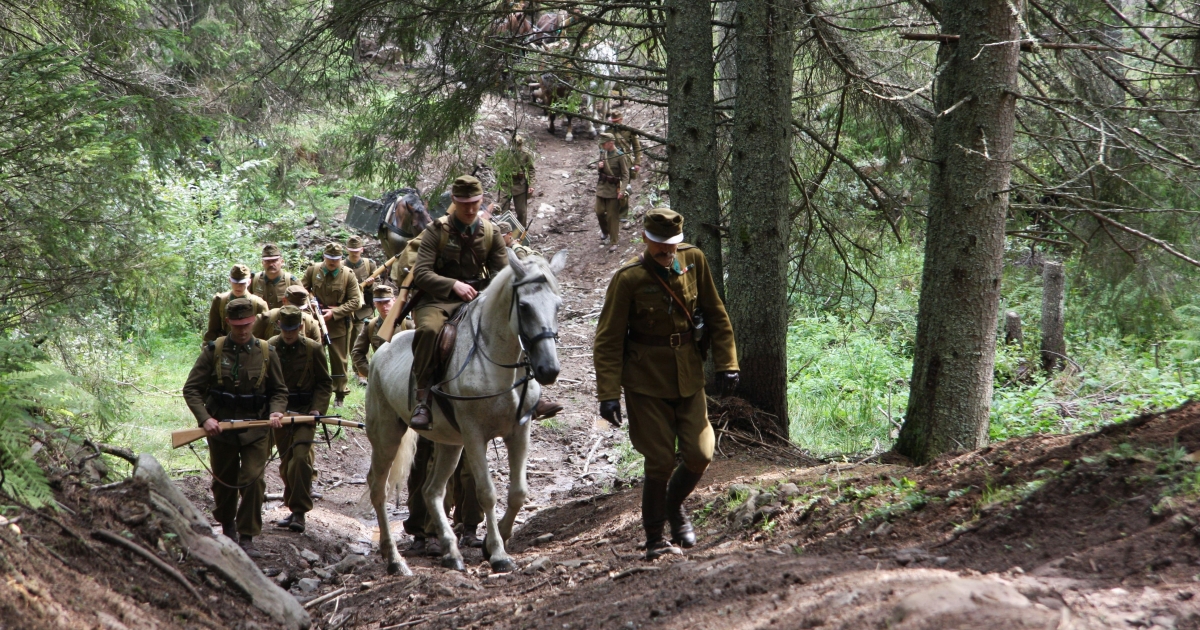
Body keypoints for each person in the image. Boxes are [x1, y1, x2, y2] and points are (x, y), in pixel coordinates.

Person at [592, 208, 739, 560]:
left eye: (671, 246)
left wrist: (727, 362)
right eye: (659, 246)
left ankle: (674, 508)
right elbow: (608, 340)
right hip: (645, 382)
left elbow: (716, 313)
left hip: (688, 373)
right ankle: (655, 538)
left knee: (700, 454)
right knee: (658, 459)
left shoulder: (694, 261)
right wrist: (608, 395)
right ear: (645, 239)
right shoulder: (628, 278)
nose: (666, 253)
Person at [182, 298, 288, 558]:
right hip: (221, 429)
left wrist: (276, 410)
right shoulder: (214, 351)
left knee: (253, 480)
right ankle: (227, 526)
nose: (243, 330)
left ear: (253, 322)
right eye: (238, 325)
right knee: (224, 481)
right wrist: (205, 419)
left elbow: (279, 390)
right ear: (228, 322)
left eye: (247, 324)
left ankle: (248, 535)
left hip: (256, 428)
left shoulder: (266, 352)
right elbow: (192, 389)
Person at [408, 175, 507, 430]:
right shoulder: (436, 231)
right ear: (454, 201)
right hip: (438, 300)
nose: (470, 209)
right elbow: (422, 273)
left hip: (479, 299)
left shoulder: (491, 232)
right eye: (464, 203)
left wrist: (490, 294)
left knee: (516, 324)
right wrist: (452, 284)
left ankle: (527, 392)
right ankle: (423, 398)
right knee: (429, 331)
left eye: (475, 203)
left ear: (481, 200)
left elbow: (502, 273)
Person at [268, 306, 333, 534]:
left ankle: (299, 512)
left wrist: (317, 409)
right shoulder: (270, 347)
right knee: (286, 464)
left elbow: (325, 383)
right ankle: (292, 505)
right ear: (279, 327)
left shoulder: (313, 349)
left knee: (300, 460)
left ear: (300, 327)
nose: (289, 333)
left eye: (293, 329)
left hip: (305, 413)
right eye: (285, 329)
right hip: (280, 414)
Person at [302, 243, 363, 407]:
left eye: (336, 259)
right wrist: (311, 305)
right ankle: (312, 390)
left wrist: (335, 313)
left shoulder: (348, 275)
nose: (332, 262)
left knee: (339, 360)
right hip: (315, 322)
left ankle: (340, 394)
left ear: (341, 259)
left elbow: (357, 301)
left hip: (338, 324)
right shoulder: (313, 270)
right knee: (312, 357)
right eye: (329, 258)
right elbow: (302, 291)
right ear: (324, 256)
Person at [204, 264, 271, 343]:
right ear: (230, 280)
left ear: (249, 282)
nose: (238, 286)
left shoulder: (259, 304)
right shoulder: (219, 301)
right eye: (235, 282)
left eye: (242, 283)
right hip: (226, 348)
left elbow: (266, 333)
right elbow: (212, 331)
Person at [351, 284, 398, 380]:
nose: (384, 306)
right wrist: (370, 373)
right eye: (379, 303)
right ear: (374, 304)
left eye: (387, 302)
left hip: (402, 374)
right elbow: (357, 352)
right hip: (380, 375)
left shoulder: (408, 324)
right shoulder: (371, 326)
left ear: (394, 301)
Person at [594, 133, 630, 254]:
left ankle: (614, 241)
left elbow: (625, 175)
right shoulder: (602, 153)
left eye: (604, 143)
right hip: (601, 187)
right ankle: (605, 231)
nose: (603, 145)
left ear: (610, 143)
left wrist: (623, 191)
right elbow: (599, 169)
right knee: (599, 211)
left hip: (614, 189)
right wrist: (599, 167)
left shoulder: (620, 156)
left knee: (612, 216)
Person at [344, 236, 377, 362]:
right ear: (347, 250)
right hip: (346, 309)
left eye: (357, 249)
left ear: (362, 249)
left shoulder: (369, 265)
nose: (354, 252)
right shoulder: (342, 266)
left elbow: (378, 287)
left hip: (364, 310)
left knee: (362, 340)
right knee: (346, 342)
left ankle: (361, 371)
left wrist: (370, 285)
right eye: (352, 249)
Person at [255, 285, 323, 343]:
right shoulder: (266, 318)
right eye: (293, 307)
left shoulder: (311, 324)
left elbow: (316, 351)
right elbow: (254, 347)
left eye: (300, 308)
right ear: (284, 301)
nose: (296, 310)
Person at [251, 243, 301, 310]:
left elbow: (304, 308)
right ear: (262, 262)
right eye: (267, 261)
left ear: (282, 261)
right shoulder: (254, 280)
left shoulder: (292, 282)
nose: (271, 264)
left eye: (274, 260)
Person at [502, 136, 536, 229]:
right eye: (515, 145)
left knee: (521, 211)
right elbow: (498, 167)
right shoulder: (505, 153)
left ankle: (520, 234)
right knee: (503, 209)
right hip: (506, 183)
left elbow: (531, 170)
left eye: (519, 145)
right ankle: (504, 233)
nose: (517, 147)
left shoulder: (526, 154)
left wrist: (531, 185)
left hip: (519, 185)